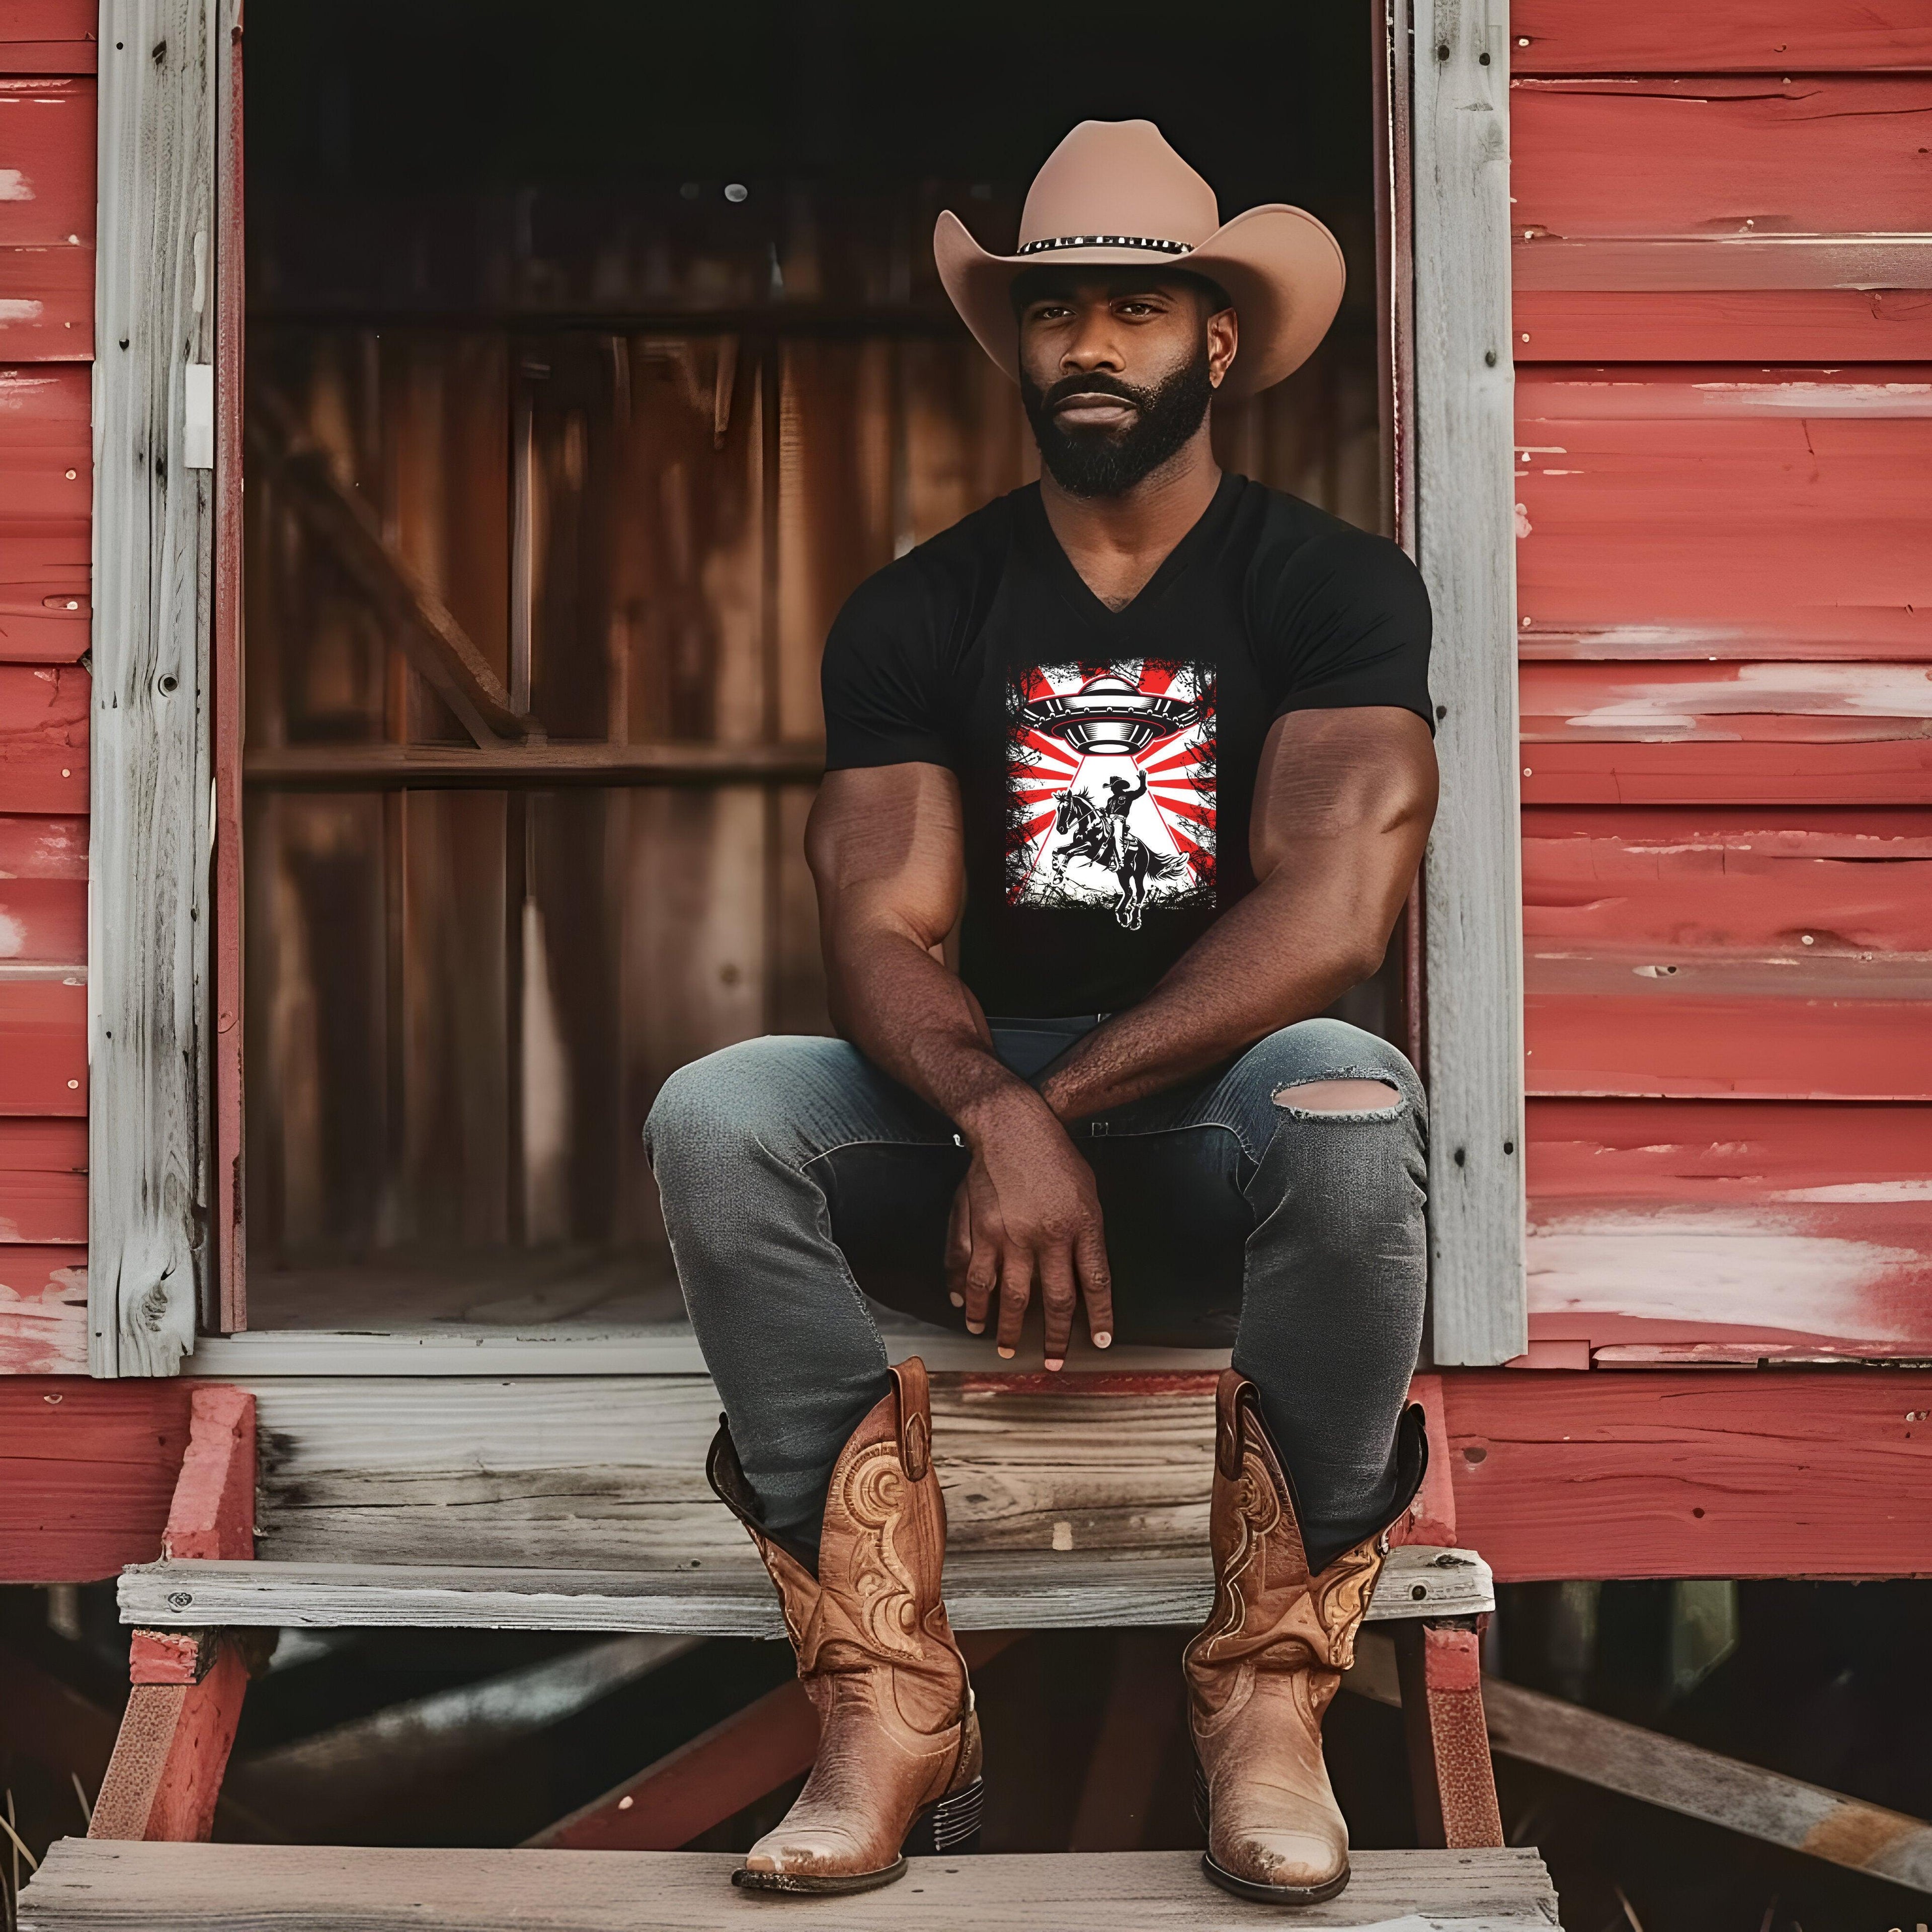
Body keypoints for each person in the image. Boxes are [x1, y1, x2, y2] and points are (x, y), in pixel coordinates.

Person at [646, 118, 1438, 1906]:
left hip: (1228, 1130)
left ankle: (1266, 1699)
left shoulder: (1330, 592)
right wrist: (993, 1115)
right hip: (976, 1148)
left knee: (1350, 1093)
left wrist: (1048, 1112)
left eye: (1135, 311)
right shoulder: (922, 610)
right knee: (719, 1111)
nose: (1091, 345)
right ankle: (887, 1694)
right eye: (1056, 309)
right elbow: (878, 923)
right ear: (1014, 342)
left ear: (1216, 346)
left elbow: (1330, 915)